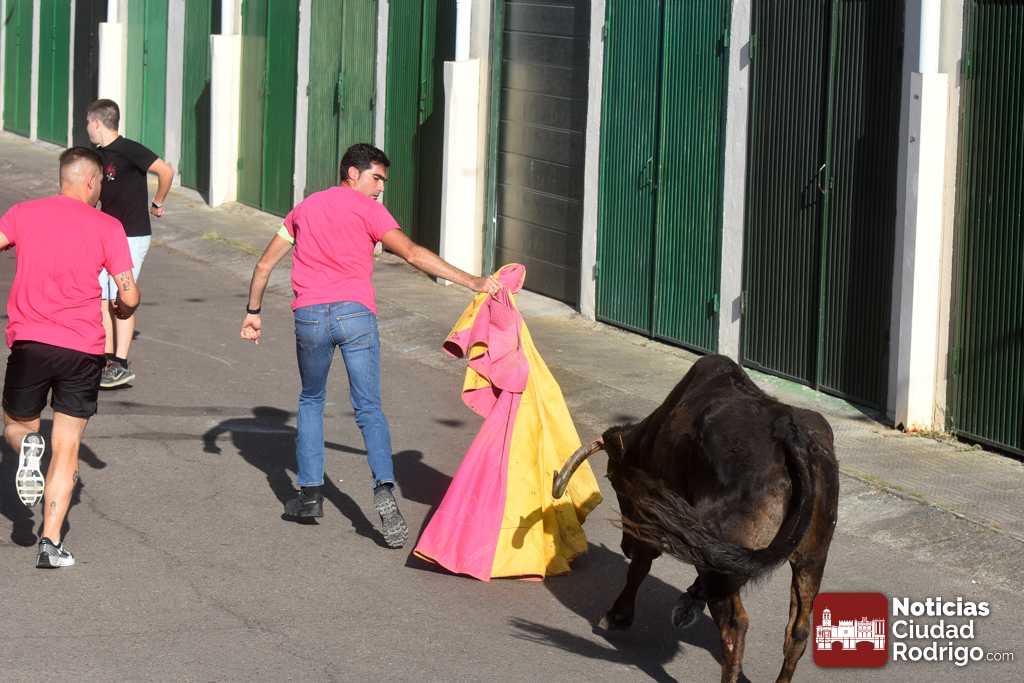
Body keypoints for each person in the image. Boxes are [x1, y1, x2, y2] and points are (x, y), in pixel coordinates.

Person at [240, 143, 499, 549]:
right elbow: (412, 253)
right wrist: (473, 282)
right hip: (355, 316)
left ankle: (309, 495)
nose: (380, 188)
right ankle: (383, 487)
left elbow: (264, 264)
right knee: (368, 408)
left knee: (311, 400)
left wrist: (253, 312)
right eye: (376, 178)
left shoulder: (303, 209)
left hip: (310, 318)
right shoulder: (368, 210)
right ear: (352, 173)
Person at [1, 147, 139, 568]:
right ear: (92, 182)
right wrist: (122, 309)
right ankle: (49, 543)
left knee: (16, 424)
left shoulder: (24, 213)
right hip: (82, 348)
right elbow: (129, 293)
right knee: (67, 446)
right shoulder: (108, 226)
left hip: (30, 342)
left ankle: (27, 445)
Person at [85, 99, 173, 388]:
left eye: (88, 123)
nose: (87, 129)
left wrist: (157, 201)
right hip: (106, 234)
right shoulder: (97, 155)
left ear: (97, 123)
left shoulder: (129, 149)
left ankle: (120, 364)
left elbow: (165, 171)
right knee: (101, 297)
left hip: (132, 234)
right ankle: (105, 360)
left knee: (121, 297)